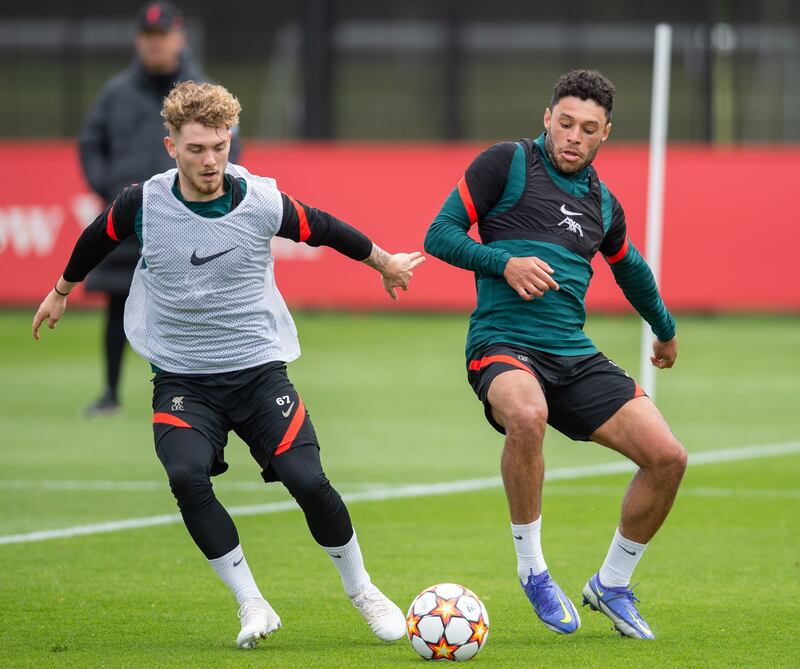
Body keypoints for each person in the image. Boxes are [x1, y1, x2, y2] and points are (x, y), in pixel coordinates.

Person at [33, 81, 425, 649]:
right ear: (171, 147)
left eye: (220, 145)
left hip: (259, 371)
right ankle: (252, 603)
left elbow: (326, 228)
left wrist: (384, 262)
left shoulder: (260, 200)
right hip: (183, 378)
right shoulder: (143, 203)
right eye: (197, 149)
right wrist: (61, 289)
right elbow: (98, 237)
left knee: (307, 479)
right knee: (185, 474)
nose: (211, 159)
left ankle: (363, 590)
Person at [424, 69, 686, 639]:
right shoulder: (506, 164)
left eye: (587, 129)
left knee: (668, 458)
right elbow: (438, 234)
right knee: (526, 414)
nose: (573, 136)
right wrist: (504, 263)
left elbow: (632, 269)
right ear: (547, 118)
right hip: (502, 344)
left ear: (605, 134)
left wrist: (663, 329)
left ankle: (612, 584)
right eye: (564, 123)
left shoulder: (601, 202)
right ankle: (534, 569)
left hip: (572, 353)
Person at [78, 1, 240, 416]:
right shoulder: (116, 92)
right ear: (139, 41)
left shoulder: (201, 92)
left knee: (197, 303)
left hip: (187, 219)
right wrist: (109, 188)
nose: (155, 45)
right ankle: (110, 392)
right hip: (131, 218)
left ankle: (204, 391)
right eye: (148, 38)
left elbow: (229, 146)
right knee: (117, 302)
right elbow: (90, 144)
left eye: (162, 36)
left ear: (179, 37)